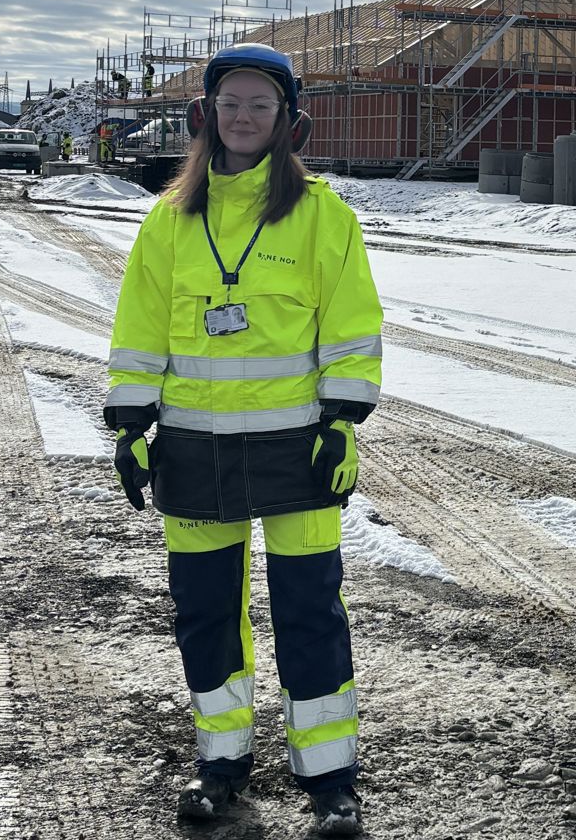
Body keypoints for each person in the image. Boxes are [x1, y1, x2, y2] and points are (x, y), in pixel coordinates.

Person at [103, 43, 381, 835]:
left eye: (261, 103)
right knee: (205, 614)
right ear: (206, 116)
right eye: (231, 103)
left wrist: (341, 423)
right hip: (193, 451)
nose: (245, 117)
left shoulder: (324, 214)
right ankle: (219, 767)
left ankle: (330, 781)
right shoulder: (169, 218)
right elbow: (140, 329)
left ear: (289, 120)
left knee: (309, 612)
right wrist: (130, 425)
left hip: (298, 450)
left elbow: (353, 329)